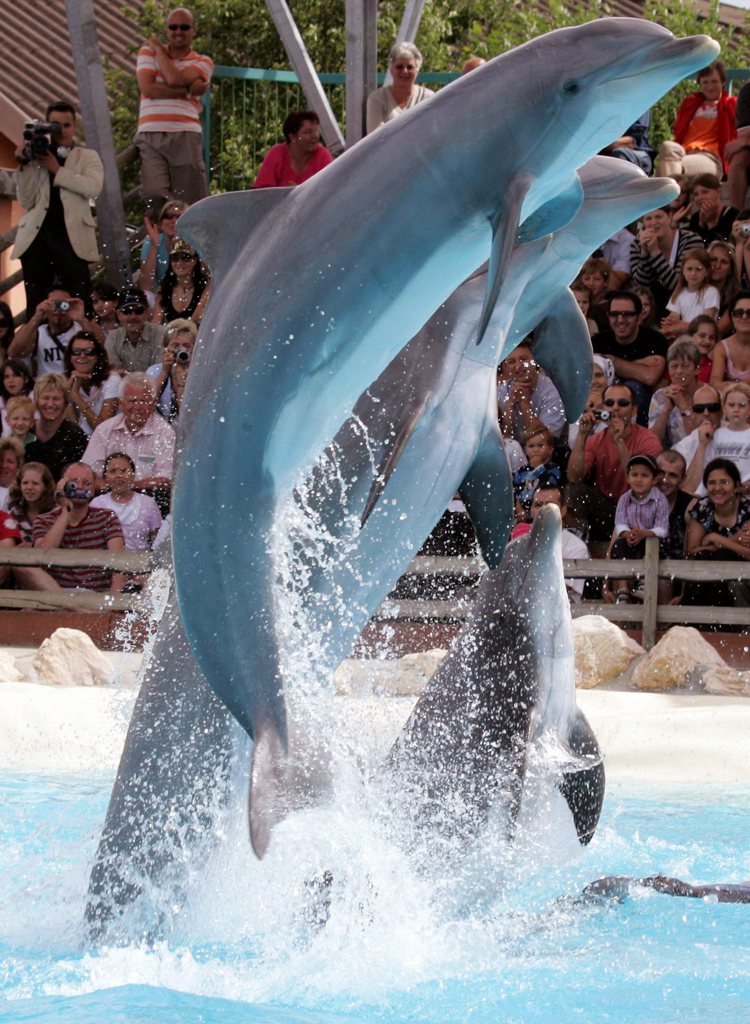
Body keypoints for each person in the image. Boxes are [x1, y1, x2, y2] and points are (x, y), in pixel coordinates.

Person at [11, 101, 104, 316]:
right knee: (36, 303)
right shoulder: (36, 153)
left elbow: (93, 187)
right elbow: (26, 200)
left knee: (80, 298)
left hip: (72, 239)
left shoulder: (86, 156)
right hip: (38, 237)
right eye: (54, 125)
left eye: (66, 125)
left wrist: (57, 170)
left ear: (74, 127)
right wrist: (24, 163)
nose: (61, 130)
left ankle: (82, 345)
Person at [134, 7, 213, 205]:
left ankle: (186, 236)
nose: (178, 32)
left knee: (190, 198)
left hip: (184, 133)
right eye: (173, 27)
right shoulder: (146, 52)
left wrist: (160, 51)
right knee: (155, 195)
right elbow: (148, 89)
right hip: (150, 133)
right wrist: (187, 91)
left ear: (194, 30)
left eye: (184, 27)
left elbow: (173, 78)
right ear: (167, 30)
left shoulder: (203, 61)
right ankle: (161, 236)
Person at [566, 383, 662, 542]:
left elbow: (640, 484)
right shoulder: (595, 440)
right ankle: (576, 543)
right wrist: (582, 435)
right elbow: (574, 477)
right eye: (610, 403)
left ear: (634, 410)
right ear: (603, 408)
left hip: (637, 510)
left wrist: (619, 441)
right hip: (607, 511)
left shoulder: (648, 440)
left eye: (622, 403)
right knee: (575, 491)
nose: (615, 408)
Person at [83, 373, 176, 509]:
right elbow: (89, 472)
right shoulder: (105, 429)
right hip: (107, 502)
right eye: (132, 401)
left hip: (149, 503)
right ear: (121, 403)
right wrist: (113, 489)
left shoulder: (164, 432)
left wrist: (127, 486)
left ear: (153, 403)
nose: (138, 407)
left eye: (144, 401)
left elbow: (165, 479)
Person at [33, 462, 125, 592]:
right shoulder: (44, 520)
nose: (80, 486)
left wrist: (111, 607)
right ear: (62, 485)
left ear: (93, 490)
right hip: (57, 598)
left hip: (96, 599)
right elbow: (42, 559)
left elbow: (119, 566)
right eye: (73, 483)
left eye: (87, 483)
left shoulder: (107, 518)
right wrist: (65, 507)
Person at [683, 457, 750, 610]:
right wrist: (733, 541)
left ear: (736, 486)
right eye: (712, 483)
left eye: (724, 482)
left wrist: (715, 538)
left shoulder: (747, 509)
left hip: (743, 575)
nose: (717, 488)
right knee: (705, 557)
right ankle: (694, 620)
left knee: (724, 556)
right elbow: (692, 552)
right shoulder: (704, 507)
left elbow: (748, 553)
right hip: (709, 576)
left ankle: (715, 625)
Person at [593, 290, 668, 425]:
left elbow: (650, 377)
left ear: (639, 317)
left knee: (633, 387)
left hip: (639, 406)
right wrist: (638, 365)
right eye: (614, 314)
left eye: (627, 314)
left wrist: (609, 362)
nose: (620, 320)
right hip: (603, 401)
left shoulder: (655, 339)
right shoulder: (598, 342)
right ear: (608, 317)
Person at [655, 60, 737, 181]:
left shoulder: (731, 104)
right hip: (683, 152)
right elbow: (678, 132)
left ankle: (674, 197)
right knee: (668, 146)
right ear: (700, 84)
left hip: (711, 157)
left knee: (668, 169)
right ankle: (675, 196)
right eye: (705, 82)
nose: (710, 87)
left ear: (723, 82)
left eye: (714, 81)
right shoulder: (690, 103)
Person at [607, 454, 670, 604]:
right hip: (631, 538)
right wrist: (628, 533)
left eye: (644, 475)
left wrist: (645, 533)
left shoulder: (660, 499)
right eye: (634, 475)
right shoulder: (624, 498)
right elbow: (620, 523)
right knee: (618, 546)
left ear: (654, 479)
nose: (639, 479)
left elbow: (662, 529)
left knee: (652, 545)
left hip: (653, 539)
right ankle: (623, 589)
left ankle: (644, 583)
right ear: (627, 478)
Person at [8, 288, 102, 377]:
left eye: (63, 304)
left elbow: (102, 347)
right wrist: (36, 318)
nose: (59, 309)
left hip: (76, 382)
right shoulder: (38, 332)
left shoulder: (82, 328)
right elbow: (13, 352)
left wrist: (81, 319)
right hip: (48, 387)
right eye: (54, 304)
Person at [629, 206, 703, 318]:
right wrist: (644, 253)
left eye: (658, 217)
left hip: (685, 309)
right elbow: (640, 286)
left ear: (670, 217)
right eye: (648, 219)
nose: (653, 222)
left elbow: (681, 285)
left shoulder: (690, 240)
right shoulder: (636, 244)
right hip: (649, 313)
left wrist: (654, 252)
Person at [529, 484, 589, 603]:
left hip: (562, 612)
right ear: (531, 511)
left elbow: (561, 591)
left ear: (563, 511)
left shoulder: (576, 547)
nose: (543, 510)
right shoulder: (519, 543)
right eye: (538, 505)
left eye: (550, 505)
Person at [91, 452, 162, 552]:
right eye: (113, 471)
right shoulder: (97, 504)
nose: (118, 475)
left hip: (140, 563)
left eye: (124, 471)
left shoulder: (148, 503)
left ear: (133, 475)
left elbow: (157, 542)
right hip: (106, 564)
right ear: (106, 477)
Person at [24, 373, 88, 483]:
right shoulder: (26, 432)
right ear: (37, 401)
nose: (50, 404)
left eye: (56, 399)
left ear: (65, 403)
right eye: (45, 398)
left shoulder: (75, 436)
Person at [497, 342, 565, 444]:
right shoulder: (500, 392)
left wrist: (524, 404)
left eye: (523, 359)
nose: (518, 366)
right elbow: (503, 439)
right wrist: (510, 403)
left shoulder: (552, 391)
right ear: (504, 367)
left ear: (535, 361)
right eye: (511, 362)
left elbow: (545, 441)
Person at [253, 111, 333, 188]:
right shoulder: (276, 153)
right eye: (308, 132)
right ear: (293, 137)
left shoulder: (323, 155)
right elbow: (261, 193)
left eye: (316, 131)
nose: (315, 136)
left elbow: (332, 190)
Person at [366, 42, 434, 134]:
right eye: (399, 67)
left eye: (410, 67)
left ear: (417, 71)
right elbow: (375, 138)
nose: (405, 71)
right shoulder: (377, 99)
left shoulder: (428, 97)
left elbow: (432, 132)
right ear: (391, 70)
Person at [63, 332, 120, 436]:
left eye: (89, 352)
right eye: (76, 351)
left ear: (97, 357)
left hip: (107, 442)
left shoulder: (112, 380)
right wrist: (68, 393)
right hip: (82, 442)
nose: (82, 356)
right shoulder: (68, 381)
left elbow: (102, 428)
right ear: (70, 357)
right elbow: (73, 428)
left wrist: (76, 395)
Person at [671, 382, 723, 496]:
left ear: (721, 411)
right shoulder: (683, 446)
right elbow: (685, 489)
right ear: (693, 413)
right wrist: (702, 446)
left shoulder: (734, 437)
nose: (706, 413)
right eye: (699, 409)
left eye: (712, 407)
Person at [648, 338, 702, 447]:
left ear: (697, 369)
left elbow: (698, 440)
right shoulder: (659, 396)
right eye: (674, 366)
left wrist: (682, 407)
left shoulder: (707, 395)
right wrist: (666, 410)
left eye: (685, 366)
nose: (679, 372)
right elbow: (653, 441)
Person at [661, 249, 719, 340]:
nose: (693, 273)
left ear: (707, 272)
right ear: (683, 271)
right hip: (683, 341)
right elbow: (673, 319)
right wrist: (669, 323)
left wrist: (680, 326)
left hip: (703, 340)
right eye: (689, 269)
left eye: (698, 269)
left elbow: (705, 324)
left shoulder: (711, 292)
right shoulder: (678, 293)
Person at [146, 318, 196, 424]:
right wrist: (164, 372)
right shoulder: (155, 371)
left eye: (186, 346)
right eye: (175, 346)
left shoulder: (199, 372)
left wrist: (181, 385)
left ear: (195, 348)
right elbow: (146, 405)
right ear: (166, 348)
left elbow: (189, 416)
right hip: (161, 431)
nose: (182, 350)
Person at [105, 288, 166, 373]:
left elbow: (159, 371)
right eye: (127, 311)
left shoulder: (161, 333)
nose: (133, 316)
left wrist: (126, 374)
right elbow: (114, 373)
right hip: (122, 385)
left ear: (148, 312)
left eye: (138, 311)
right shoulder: (113, 337)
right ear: (118, 314)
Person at [152, 240, 210, 324]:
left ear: (195, 260)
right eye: (175, 258)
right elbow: (156, 323)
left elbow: (194, 321)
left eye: (185, 258)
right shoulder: (165, 289)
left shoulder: (205, 287)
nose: (180, 263)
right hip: (170, 335)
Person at [512, 426, 562, 518]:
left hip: (544, 513)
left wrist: (538, 468)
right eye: (531, 446)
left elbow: (546, 488)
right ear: (525, 450)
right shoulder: (521, 472)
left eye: (540, 445)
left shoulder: (553, 469)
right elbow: (516, 492)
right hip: (522, 515)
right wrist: (519, 509)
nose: (536, 450)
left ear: (550, 449)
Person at [709, 290, 750, 393]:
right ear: (731, 317)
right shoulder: (722, 346)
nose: (744, 317)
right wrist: (721, 385)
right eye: (738, 313)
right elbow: (714, 380)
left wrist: (732, 387)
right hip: (731, 401)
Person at [656, 449, 693, 562]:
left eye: (672, 475)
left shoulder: (690, 505)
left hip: (678, 572)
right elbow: (616, 545)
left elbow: (690, 554)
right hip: (639, 571)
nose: (665, 480)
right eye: (661, 472)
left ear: (683, 478)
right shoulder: (635, 500)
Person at [8, 461, 56, 543]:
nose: (29, 487)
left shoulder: (56, 513)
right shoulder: (12, 514)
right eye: (25, 483)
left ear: (45, 486)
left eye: (35, 483)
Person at [687, 173, 737, 246]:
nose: (699, 198)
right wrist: (701, 225)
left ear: (718, 192)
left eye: (705, 192)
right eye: (696, 194)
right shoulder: (695, 218)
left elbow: (721, 248)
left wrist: (711, 223)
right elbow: (694, 248)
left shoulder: (733, 215)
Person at [725, 80, 750, 211]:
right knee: (739, 158)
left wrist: (744, 141)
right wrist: (745, 141)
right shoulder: (747, 91)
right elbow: (745, 134)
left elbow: (745, 139)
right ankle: (735, 216)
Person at [706, 240, 738, 336]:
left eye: (724, 262)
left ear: (731, 270)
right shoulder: (693, 289)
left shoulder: (735, 299)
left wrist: (681, 326)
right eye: (713, 260)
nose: (717, 266)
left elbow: (716, 331)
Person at [686, 315, 718, 383]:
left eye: (712, 337)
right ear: (690, 336)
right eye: (702, 336)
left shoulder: (714, 366)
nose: (707, 341)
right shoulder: (678, 360)